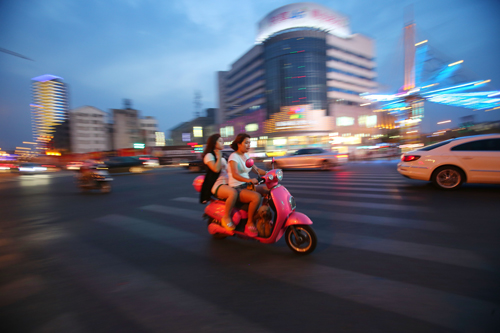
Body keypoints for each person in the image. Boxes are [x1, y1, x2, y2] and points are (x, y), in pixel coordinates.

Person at [227, 133, 267, 237]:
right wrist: (248, 180)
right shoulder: (233, 157)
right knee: (256, 197)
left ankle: (263, 216)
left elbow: (256, 169)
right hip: (237, 188)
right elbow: (235, 174)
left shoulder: (246, 156)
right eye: (246, 143)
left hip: (246, 185)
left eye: (249, 143)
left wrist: (269, 173)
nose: (249, 145)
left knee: (267, 190)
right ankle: (249, 223)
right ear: (239, 144)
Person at [200, 134, 237, 231]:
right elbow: (216, 169)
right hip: (218, 185)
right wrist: (219, 156)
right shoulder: (209, 156)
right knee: (233, 193)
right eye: (220, 141)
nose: (222, 143)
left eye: (222, 141)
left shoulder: (221, 155)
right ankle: (226, 217)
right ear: (214, 143)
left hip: (227, 183)